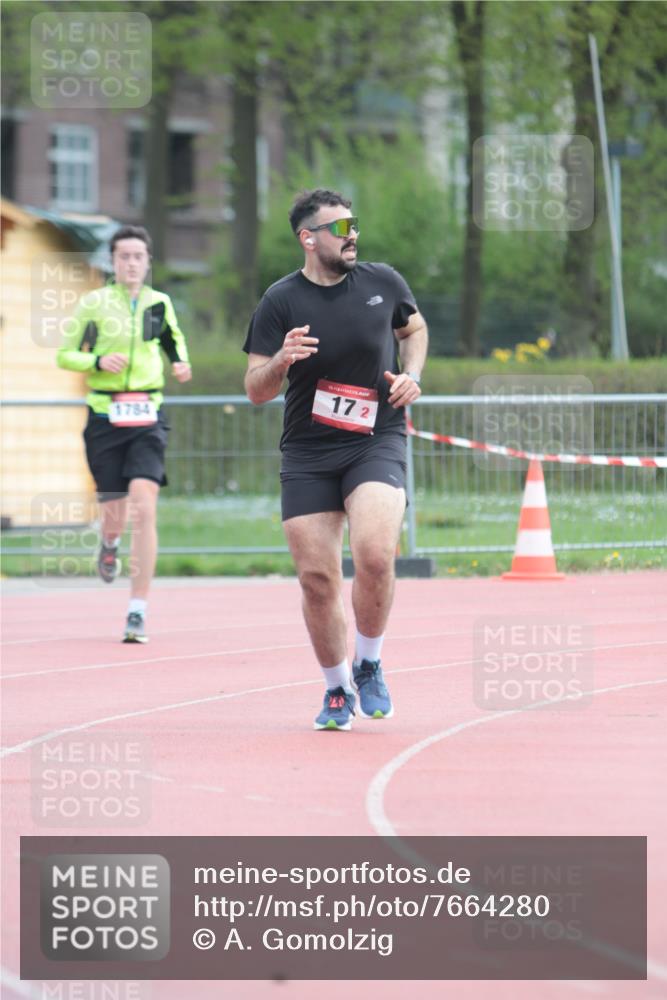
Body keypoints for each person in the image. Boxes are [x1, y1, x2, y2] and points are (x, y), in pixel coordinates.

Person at [244, 189, 428, 730]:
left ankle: (368, 662)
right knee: (317, 579)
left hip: (375, 439)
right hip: (308, 452)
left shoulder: (383, 282)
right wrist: (281, 360)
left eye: (355, 224)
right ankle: (336, 689)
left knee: (374, 555)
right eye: (341, 227)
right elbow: (255, 389)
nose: (353, 235)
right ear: (308, 238)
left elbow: (413, 328)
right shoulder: (280, 301)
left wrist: (413, 375)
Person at [57, 225, 192, 643]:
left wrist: (181, 363)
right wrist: (97, 361)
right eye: (124, 257)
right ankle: (110, 542)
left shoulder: (159, 303)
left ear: (148, 262)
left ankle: (137, 610)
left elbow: (172, 340)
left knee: (145, 506)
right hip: (105, 415)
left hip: (148, 414)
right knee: (114, 511)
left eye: (138, 256)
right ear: (112, 262)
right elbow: (66, 354)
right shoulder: (94, 304)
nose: (131, 263)